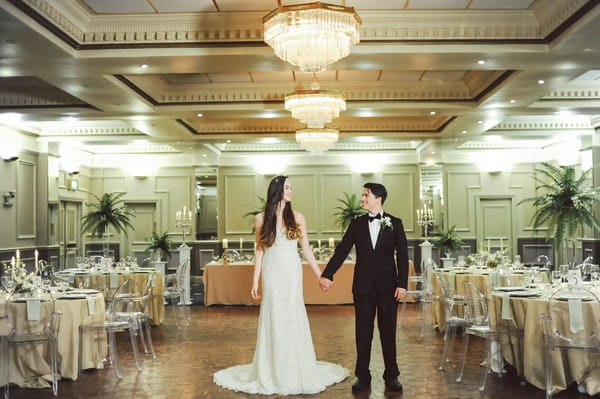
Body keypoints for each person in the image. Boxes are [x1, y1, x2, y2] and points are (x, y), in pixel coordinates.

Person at [213, 175, 348, 395]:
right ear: (277, 191)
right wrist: (255, 280)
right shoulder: (260, 219)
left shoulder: (298, 217)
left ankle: (296, 368)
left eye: (291, 187)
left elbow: (306, 249)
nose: (291, 191)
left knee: (293, 315)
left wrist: (320, 275)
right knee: (273, 315)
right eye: (287, 187)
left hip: (292, 273)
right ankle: (272, 371)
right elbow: (260, 251)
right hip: (272, 273)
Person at [320, 182, 409, 393]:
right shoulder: (357, 223)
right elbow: (342, 250)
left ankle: (392, 376)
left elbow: (403, 257)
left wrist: (403, 285)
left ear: (378, 198)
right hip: (363, 287)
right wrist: (327, 273)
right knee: (363, 332)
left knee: (388, 332)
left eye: (365, 195)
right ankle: (363, 376)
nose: (362, 199)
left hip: (389, 288)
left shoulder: (395, 223)